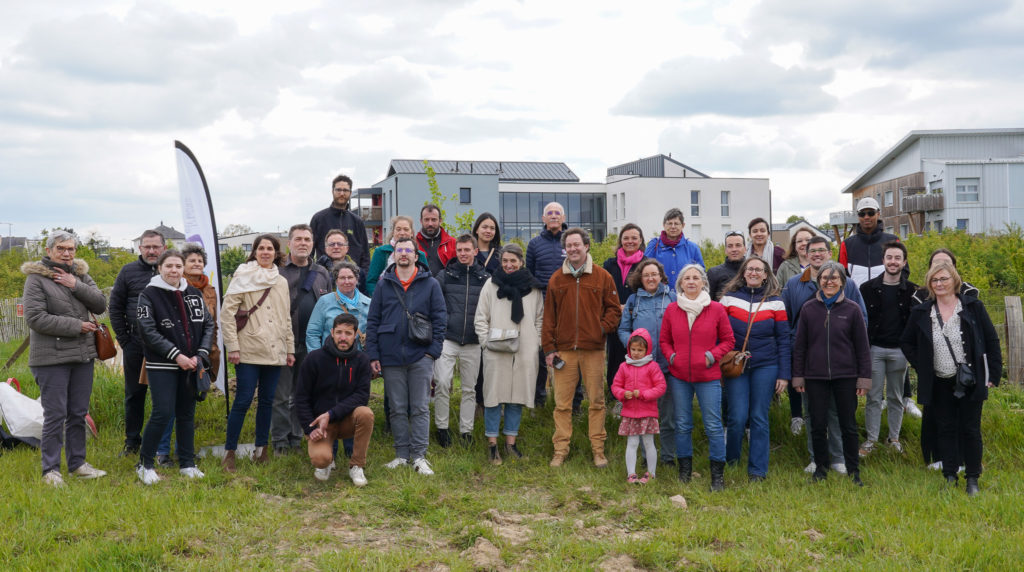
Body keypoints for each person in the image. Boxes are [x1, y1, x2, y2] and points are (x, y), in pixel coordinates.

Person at [901, 262, 1001, 496]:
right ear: (929, 284)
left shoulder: (973, 306)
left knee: (970, 429)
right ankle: (949, 475)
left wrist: (992, 374)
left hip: (970, 380)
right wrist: (922, 364)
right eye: (934, 280)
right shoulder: (921, 311)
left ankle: (972, 478)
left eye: (944, 279)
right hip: (938, 381)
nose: (939, 284)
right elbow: (906, 341)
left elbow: (991, 340)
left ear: (954, 280)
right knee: (944, 428)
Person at [21, 230, 108, 486]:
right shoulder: (36, 279)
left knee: (78, 413)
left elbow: (101, 305)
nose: (67, 253)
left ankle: (78, 464)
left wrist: (76, 285)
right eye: (61, 248)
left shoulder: (80, 275)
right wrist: (76, 326)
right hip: (50, 359)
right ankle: (50, 470)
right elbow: (35, 318)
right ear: (49, 251)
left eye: (71, 249)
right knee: (55, 414)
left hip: (82, 355)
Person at [781, 235, 867, 475]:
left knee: (839, 413)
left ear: (830, 253)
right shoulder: (795, 284)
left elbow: (862, 320)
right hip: (811, 362)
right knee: (813, 414)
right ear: (805, 255)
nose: (817, 254)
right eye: (812, 251)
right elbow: (785, 320)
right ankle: (815, 458)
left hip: (842, 362)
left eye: (822, 250)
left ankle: (839, 457)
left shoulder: (847, 283)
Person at [365, 237, 447, 476]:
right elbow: (373, 321)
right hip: (390, 355)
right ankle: (401, 454)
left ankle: (419, 456)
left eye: (408, 250)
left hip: (420, 354)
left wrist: (433, 352)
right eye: (399, 250)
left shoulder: (430, 283)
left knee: (420, 406)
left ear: (416, 255)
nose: (403, 254)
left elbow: (440, 318)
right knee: (398, 408)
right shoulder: (384, 284)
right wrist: (373, 354)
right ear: (394, 255)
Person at [542, 227, 622, 468]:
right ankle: (560, 450)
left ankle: (598, 450)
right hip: (564, 350)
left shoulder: (602, 277)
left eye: (577, 244)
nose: (573, 249)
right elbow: (548, 318)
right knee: (562, 404)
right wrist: (549, 349)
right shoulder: (557, 279)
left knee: (596, 402)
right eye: (569, 245)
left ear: (587, 246)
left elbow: (614, 310)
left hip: (593, 350)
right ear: (564, 249)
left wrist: (599, 330)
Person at [134, 250, 215, 485]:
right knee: (163, 412)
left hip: (192, 364)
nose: (174, 270)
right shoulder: (148, 295)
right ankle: (145, 464)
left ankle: (187, 463)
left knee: (187, 414)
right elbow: (147, 331)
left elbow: (208, 324)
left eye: (178, 266)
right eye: (169, 266)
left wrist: (200, 354)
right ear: (159, 268)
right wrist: (176, 355)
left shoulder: (193, 293)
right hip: (162, 364)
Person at [220, 234, 295, 473]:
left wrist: (289, 349)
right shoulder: (243, 275)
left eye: (270, 248)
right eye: (261, 248)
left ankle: (261, 450)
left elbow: (286, 318)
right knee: (242, 401)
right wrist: (233, 346)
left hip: (275, 351)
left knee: (267, 402)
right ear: (254, 252)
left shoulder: (281, 281)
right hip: (248, 350)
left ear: (276, 252)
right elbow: (227, 315)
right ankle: (229, 452)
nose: (265, 252)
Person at [659, 264, 734, 491]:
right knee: (682, 425)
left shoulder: (716, 309)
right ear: (680, 284)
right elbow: (664, 340)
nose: (691, 281)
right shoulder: (672, 309)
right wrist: (672, 357)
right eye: (686, 278)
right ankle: (684, 472)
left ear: (703, 282)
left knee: (713, 425)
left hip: (708, 376)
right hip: (679, 376)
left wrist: (712, 356)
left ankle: (717, 477)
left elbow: (728, 341)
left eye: (696, 278)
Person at [718, 257, 790, 481]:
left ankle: (758, 470)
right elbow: (717, 332)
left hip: (766, 365)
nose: (754, 272)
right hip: (736, 364)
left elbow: (784, 339)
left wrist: (784, 375)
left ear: (766, 274)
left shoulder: (776, 302)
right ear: (743, 272)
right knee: (737, 416)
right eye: (750, 269)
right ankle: (731, 462)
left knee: (759, 417)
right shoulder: (728, 299)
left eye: (759, 270)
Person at [474, 244, 544, 465]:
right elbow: (480, 317)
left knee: (517, 398)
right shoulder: (491, 285)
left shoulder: (533, 288)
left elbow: (540, 318)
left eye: (513, 261)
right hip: (496, 349)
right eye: (505, 261)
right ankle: (493, 445)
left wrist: (536, 343)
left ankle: (511, 443)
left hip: (525, 349)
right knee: (494, 398)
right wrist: (485, 343)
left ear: (521, 262)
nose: (509, 265)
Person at [911, 248, 980, 470]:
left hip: (964, 372)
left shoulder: (970, 295)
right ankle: (938, 459)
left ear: (954, 270)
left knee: (966, 421)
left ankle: (966, 463)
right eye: (936, 265)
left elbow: (984, 337)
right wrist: (921, 364)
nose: (940, 273)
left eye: (946, 265)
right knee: (938, 419)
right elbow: (910, 338)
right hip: (935, 372)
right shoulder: (920, 296)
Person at [155, 243, 221, 467]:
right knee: (167, 408)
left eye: (200, 261)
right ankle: (161, 452)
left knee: (187, 407)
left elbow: (211, 323)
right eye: (191, 261)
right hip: (171, 355)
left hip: (199, 354)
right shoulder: (169, 288)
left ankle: (184, 452)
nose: (196, 264)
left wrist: (207, 352)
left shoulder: (209, 290)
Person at [295, 313, 375, 487]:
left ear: (355, 335)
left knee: (366, 413)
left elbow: (362, 395)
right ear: (331, 332)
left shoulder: (362, 361)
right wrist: (310, 428)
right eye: (339, 332)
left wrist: (331, 414)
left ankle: (356, 465)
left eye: (348, 333)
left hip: (347, 419)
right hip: (321, 425)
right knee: (320, 460)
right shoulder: (314, 359)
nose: (343, 338)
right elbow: (301, 398)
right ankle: (328, 461)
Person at [272, 224, 332, 455]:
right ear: (289, 243)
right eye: (298, 239)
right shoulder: (277, 272)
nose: (303, 243)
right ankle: (279, 440)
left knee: (302, 394)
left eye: (307, 239)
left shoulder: (322, 273)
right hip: (283, 342)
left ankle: (297, 437)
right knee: (280, 395)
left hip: (312, 344)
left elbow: (327, 307)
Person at [109, 229, 165, 456]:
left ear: (164, 248)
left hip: (167, 346)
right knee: (134, 394)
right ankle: (132, 442)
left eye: (156, 247)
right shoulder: (128, 271)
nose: (151, 251)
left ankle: (162, 444)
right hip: (135, 344)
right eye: (147, 247)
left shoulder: (172, 269)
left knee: (165, 395)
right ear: (140, 248)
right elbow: (115, 307)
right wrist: (124, 339)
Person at [859, 241, 918, 458]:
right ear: (883, 260)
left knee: (896, 397)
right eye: (889, 258)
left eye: (897, 258)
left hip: (899, 352)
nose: (893, 262)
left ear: (904, 262)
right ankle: (871, 440)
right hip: (874, 349)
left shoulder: (913, 291)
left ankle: (894, 438)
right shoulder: (867, 289)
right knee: (873, 397)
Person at [432, 234, 489, 447]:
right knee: (443, 383)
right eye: (460, 250)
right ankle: (442, 428)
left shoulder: (486, 278)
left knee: (469, 388)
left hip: (473, 341)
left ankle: (466, 431)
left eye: (467, 250)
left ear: (475, 251)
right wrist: (444, 323)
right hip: (448, 337)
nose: (463, 254)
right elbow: (434, 302)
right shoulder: (444, 275)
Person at [619, 259, 677, 464]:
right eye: (646, 275)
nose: (651, 278)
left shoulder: (672, 297)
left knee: (669, 417)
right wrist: (634, 347)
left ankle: (668, 457)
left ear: (661, 276)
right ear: (640, 279)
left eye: (654, 274)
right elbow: (623, 329)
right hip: (642, 369)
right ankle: (645, 458)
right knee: (642, 415)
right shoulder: (634, 301)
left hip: (668, 367)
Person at [525, 201, 568, 408]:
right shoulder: (534, 244)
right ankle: (538, 401)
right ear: (543, 219)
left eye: (557, 213)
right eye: (549, 213)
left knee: (568, 353)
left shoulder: (571, 241)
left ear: (563, 218)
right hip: (541, 303)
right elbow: (529, 275)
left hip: (568, 305)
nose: (553, 216)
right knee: (541, 353)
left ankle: (570, 401)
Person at [611, 329, 667, 484]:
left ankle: (651, 473)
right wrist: (623, 394)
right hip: (630, 413)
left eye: (640, 350)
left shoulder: (652, 367)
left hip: (647, 413)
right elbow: (615, 386)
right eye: (633, 349)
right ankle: (631, 474)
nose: (636, 353)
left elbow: (661, 387)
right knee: (632, 443)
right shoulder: (624, 367)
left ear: (647, 350)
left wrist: (643, 394)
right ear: (629, 349)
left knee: (649, 443)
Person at [601, 223, 646, 413]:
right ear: (620, 240)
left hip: (637, 318)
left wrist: (627, 306)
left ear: (641, 241)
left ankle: (637, 398)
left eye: (634, 238)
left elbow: (648, 289)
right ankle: (615, 397)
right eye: (626, 238)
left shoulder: (646, 264)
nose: (630, 241)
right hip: (613, 318)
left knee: (635, 357)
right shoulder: (609, 264)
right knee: (614, 358)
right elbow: (603, 291)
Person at [775, 227, 815, 435]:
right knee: (794, 374)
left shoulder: (824, 266)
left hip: (818, 332)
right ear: (794, 245)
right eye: (799, 241)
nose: (803, 244)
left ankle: (814, 416)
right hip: (793, 327)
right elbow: (779, 293)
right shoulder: (786, 267)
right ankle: (796, 416)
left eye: (807, 240)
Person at [310, 173, 370, 273]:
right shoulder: (319, 218)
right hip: (324, 276)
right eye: (338, 190)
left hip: (352, 277)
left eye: (345, 190)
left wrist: (364, 275)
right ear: (332, 191)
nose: (342, 193)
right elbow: (310, 251)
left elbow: (365, 255)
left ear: (350, 193)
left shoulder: (357, 221)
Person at [306, 262, 371, 352]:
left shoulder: (369, 303)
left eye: (350, 277)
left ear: (357, 280)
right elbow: (313, 333)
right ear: (336, 281)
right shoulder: (325, 301)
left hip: (359, 360)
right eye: (342, 278)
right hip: (329, 359)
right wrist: (316, 359)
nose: (346, 281)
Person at [839, 197, 900, 287]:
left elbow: (903, 271)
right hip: (856, 299)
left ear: (878, 214)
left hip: (885, 298)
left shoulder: (893, 241)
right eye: (862, 214)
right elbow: (841, 275)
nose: (866, 217)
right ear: (858, 216)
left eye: (871, 213)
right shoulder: (847, 244)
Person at [644, 208, 704, 290]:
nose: (673, 227)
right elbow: (644, 271)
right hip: (659, 297)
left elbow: (701, 274)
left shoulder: (693, 248)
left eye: (676, 223)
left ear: (683, 225)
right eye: (669, 223)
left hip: (685, 297)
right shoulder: (654, 246)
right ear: (664, 225)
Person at [366, 215, 427, 296]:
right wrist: (378, 299)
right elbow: (371, 282)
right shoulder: (381, 252)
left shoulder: (419, 255)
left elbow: (426, 281)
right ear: (393, 232)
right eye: (398, 229)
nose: (402, 233)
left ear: (411, 233)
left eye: (406, 229)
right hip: (386, 300)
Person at [416, 204, 457, 275]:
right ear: (421, 221)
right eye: (426, 220)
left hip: (445, 285)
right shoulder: (413, 244)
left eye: (434, 220)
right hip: (419, 285)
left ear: (440, 221)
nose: (430, 223)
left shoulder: (453, 243)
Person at [708, 231, 746, 301]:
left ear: (745, 249)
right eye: (730, 246)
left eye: (738, 245)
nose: (734, 249)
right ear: (725, 250)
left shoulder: (752, 272)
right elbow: (709, 302)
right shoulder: (713, 273)